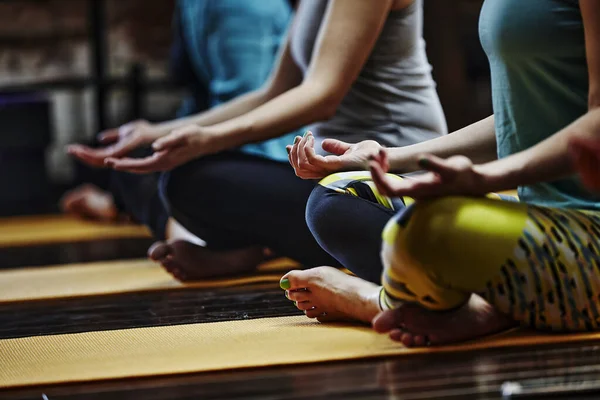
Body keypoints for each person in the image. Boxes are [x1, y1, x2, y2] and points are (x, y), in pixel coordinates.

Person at [283, 0, 600, 346]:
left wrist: (490, 177)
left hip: (589, 238)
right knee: (339, 195)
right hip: (539, 221)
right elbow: (520, 116)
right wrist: (387, 159)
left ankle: (376, 301)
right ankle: (487, 305)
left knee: (428, 230)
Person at [69, 0, 447, 281]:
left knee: (196, 179)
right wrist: (157, 132)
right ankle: (255, 250)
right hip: (328, 172)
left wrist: (210, 139)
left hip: (390, 177)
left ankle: (261, 248)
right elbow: (271, 93)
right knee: (177, 176)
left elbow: (322, 94)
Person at [64, 0, 298, 250]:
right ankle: (132, 209)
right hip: (231, 131)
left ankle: (194, 243)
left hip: (272, 150)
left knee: (176, 178)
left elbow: (256, 103)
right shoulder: (193, 5)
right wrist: (154, 134)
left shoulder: (239, 5)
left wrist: (194, 143)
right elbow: (202, 100)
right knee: (124, 157)